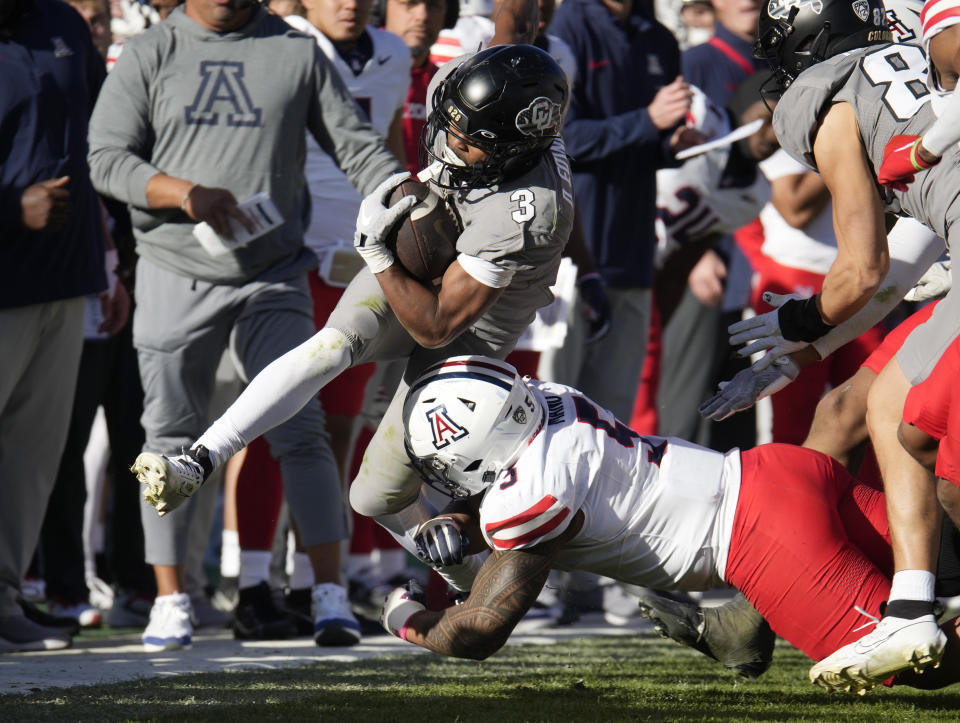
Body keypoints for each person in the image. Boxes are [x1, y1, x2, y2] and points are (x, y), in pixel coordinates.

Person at [128, 41, 575, 601]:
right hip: (440, 250)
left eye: (470, 144)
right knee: (332, 345)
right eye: (450, 129)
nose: (449, 146)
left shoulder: (525, 211)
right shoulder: (468, 90)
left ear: (514, 149)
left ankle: (481, 592)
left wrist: (380, 254)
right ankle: (201, 458)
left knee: (375, 496)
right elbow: (515, 32)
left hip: (475, 319)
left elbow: (435, 326)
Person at [89, 0, 403, 651]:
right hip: (174, 267)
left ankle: (329, 594)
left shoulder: (293, 48)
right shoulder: (153, 51)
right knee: (168, 435)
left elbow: (356, 144)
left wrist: (404, 196)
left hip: (273, 271)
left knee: (302, 425)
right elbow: (107, 157)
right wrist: (183, 193)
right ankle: (171, 598)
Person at [379, 355, 960, 693]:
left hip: (764, 540)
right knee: (942, 563)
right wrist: (463, 521)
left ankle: (742, 625)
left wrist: (407, 619)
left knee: (918, 660)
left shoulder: (531, 497)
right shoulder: (553, 400)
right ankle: (741, 626)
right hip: (779, 471)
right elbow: (519, 480)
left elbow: (480, 629)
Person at [719, 0, 960, 692]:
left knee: (894, 413)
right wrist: (810, 347)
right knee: (879, 405)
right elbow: (902, 262)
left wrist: (799, 325)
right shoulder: (918, 62)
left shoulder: (833, 99)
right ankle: (908, 604)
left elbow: (864, 271)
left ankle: (910, 607)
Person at [222, 0, 413, 644]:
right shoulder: (281, 42)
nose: (351, 3)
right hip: (290, 259)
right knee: (274, 422)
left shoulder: (390, 53)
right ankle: (250, 582)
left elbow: (385, 144)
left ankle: (310, 583)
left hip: (360, 263)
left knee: (337, 431)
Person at [0, 0, 122, 651]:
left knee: (32, 456)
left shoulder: (66, 25)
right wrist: (10, 207)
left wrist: (105, 256)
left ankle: (4, 598)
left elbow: (90, 143)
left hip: (64, 278)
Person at [542, 0, 690, 424]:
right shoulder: (565, 28)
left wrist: (673, 143)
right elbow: (558, 137)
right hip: (567, 259)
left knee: (611, 420)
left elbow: (649, 137)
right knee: (552, 409)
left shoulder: (659, 37)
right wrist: (648, 121)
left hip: (632, 255)